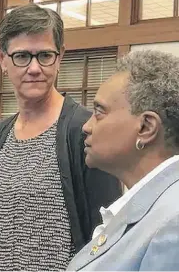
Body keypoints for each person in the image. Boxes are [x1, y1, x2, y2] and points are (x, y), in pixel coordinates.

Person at [0, 4, 122, 271]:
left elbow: (108, 234)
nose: (34, 68)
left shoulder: (85, 130)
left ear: (60, 56)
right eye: (21, 56)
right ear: (2, 59)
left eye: (44, 55)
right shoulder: (2, 133)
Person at [66, 50, 179, 270]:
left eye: (99, 112)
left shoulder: (172, 224)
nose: (86, 127)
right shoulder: (148, 208)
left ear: (146, 127)